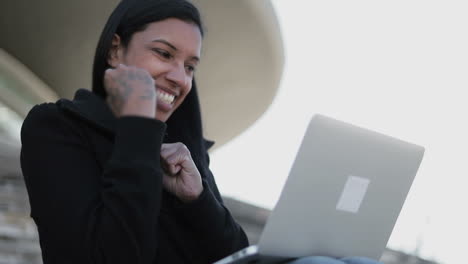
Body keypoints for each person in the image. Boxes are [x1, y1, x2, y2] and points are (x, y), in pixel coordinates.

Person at [19, 0, 382, 263]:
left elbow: (232, 256)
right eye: (164, 54)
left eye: (190, 66)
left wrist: (199, 201)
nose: (179, 77)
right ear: (116, 50)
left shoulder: (179, 149)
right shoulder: (56, 127)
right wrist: (137, 128)